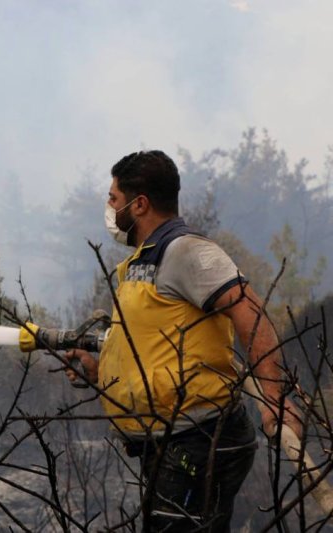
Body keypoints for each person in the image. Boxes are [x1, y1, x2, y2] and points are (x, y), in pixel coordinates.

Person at [64, 150, 303, 532]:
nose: (108, 209)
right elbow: (151, 343)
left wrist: (275, 398)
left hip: (200, 439)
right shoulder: (143, 261)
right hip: (173, 439)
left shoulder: (187, 251)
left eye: (113, 199)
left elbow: (250, 313)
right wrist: (104, 374)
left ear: (139, 204)